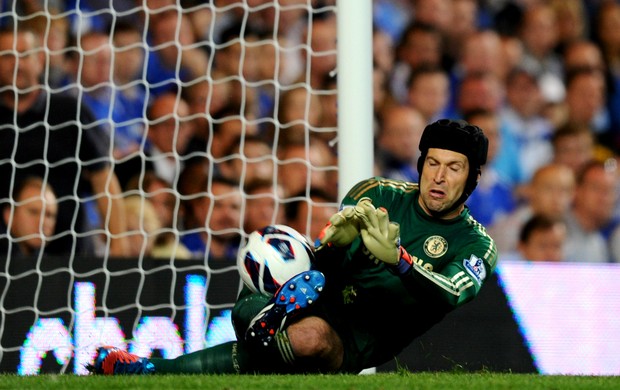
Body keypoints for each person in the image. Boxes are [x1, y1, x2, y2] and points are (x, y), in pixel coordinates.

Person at [88, 119, 497, 375]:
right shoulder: (379, 193)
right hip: (319, 293)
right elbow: (328, 259)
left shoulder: (476, 243)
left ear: (473, 178)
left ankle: (154, 372)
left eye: (453, 167)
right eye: (432, 163)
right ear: (422, 162)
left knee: (310, 338)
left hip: (358, 337)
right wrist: (333, 245)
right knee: (277, 250)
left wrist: (401, 262)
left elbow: (451, 292)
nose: (438, 176)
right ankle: (268, 315)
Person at [0, 26, 128, 257]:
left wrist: (119, 247)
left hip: (71, 253)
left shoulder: (70, 112)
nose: (15, 63)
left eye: (23, 54)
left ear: (40, 59)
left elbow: (104, 180)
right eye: (6, 56)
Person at [0, 176, 58, 257]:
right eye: (34, 212)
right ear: (9, 215)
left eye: (49, 215)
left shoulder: (50, 263)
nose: (42, 222)